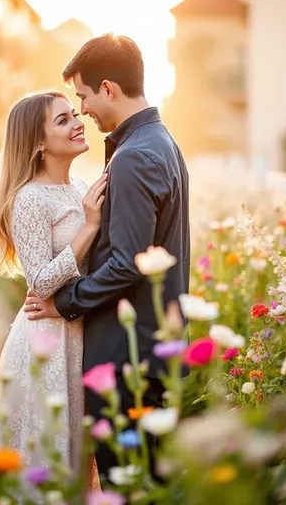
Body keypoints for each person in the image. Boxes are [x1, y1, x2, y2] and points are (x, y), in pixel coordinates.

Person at [24, 34, 190, 483]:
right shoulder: (159, 142)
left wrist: (63, 302)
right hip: (145, 347)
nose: (84, 110)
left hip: (125, 354)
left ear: (109, 88)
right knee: (142, 481)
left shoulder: (135, 155)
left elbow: (126, 263)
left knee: (128, 483)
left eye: (83, 96)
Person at [0, 91, 105, 495]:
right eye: (62, 120)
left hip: (78, 327)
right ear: (38, 142)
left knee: (77, 454)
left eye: (75, 114)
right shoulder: (28, 198)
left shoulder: (80, 184)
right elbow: (40, 282)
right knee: (46, 450)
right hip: (47, 337)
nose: (77, 123)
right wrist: (89, 227)